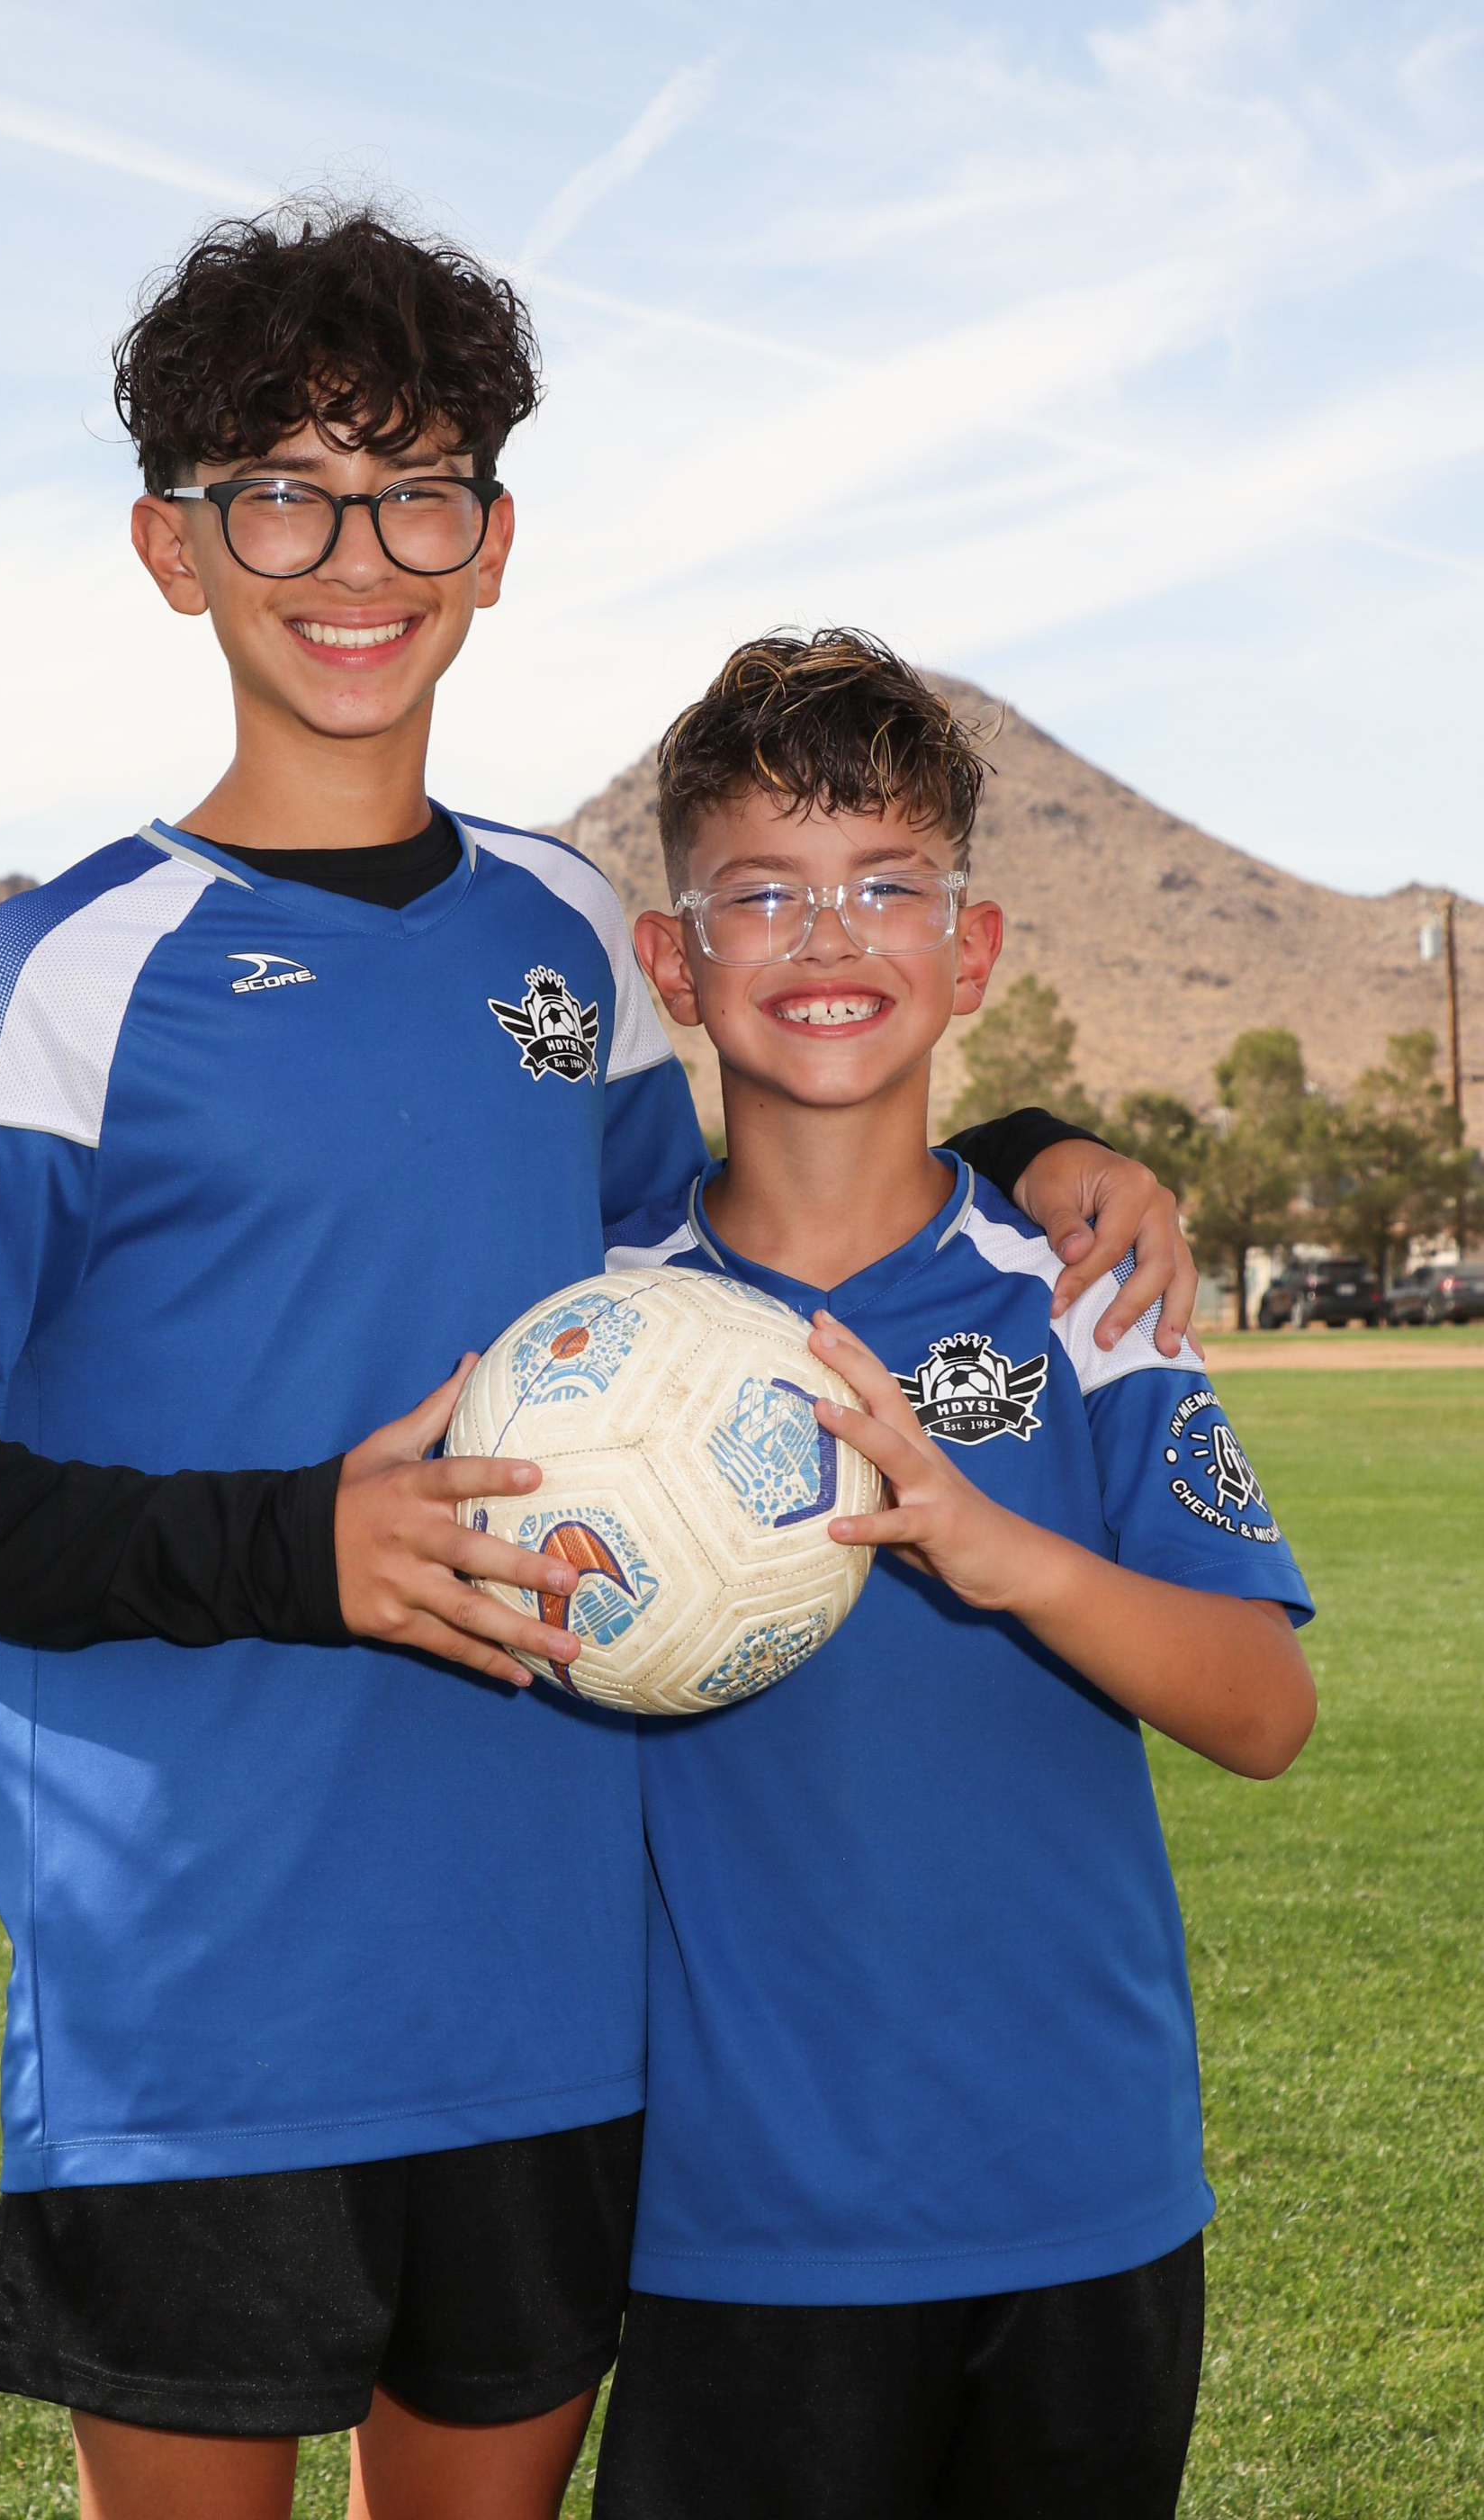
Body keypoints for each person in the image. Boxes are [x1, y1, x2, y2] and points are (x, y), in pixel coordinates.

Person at [0, 209, 1198, 2520]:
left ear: (494, 539)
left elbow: (744, 1226)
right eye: (283, 493)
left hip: (551, 1991)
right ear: (173, 545)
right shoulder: (52, 973)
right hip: (203, 1989)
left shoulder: (564, 932)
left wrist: (1027, 1141)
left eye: (416, 491)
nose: (355, 557)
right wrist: (304, 1547)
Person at [595, 628, 1317, 2520]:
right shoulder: (593, 1340)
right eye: (761, 890)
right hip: (736, 2227)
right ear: (674, 961)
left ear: (971, 949)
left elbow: (1264, 1710)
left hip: (1078, 2195)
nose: (827, 935)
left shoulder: (1090, 1304)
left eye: (886, 884)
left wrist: (1010, 1556)